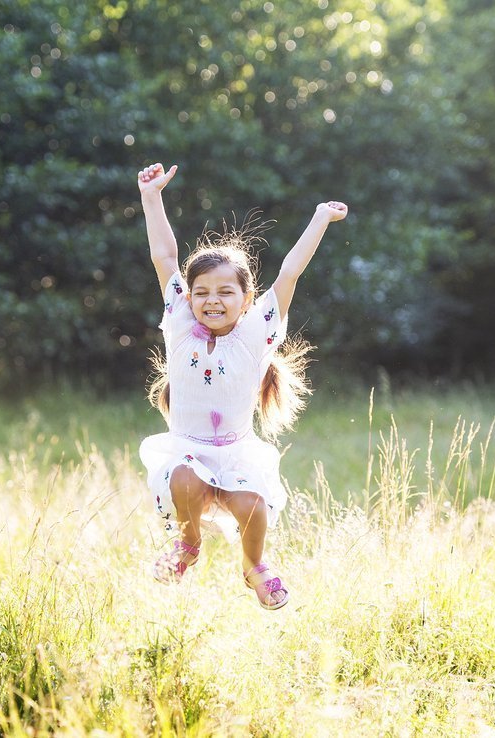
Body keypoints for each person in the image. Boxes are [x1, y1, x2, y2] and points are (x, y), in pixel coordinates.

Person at [136, 162, 348, 610]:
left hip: (236, 450)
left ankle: (255, 566)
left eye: (225, 292)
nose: (212, 300)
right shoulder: (178, 322)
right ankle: (188, 545)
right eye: (202, 292)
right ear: (188, 297)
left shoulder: (256, 334)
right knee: (187, 479)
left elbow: (289, 273)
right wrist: (151, 196)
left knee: (252, 503)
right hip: (188, 447)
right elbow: (164, 257)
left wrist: (320, 218)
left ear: (247, 300)